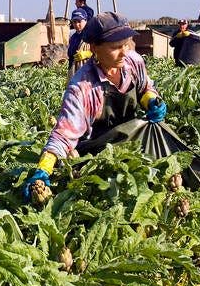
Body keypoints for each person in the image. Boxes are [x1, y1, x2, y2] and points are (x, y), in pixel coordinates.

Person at [23, 12, 166, 200]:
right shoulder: (82, 87)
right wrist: (43, 169)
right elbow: (64, 134)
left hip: (132, 139)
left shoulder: (133, 62)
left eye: (125, 44)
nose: (124, 52)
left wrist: (151, 101)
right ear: (94, 48)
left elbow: (144, 87)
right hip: (98, 154)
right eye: (116, 47)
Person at [67, 10, 92, 77]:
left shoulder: (91, 36)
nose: (77, 24)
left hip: (87, 71)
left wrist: (87, 54)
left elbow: (101, 53)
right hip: (74, 70)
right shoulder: (73, 37)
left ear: (86, 21)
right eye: (74, 22)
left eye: (79, 21)